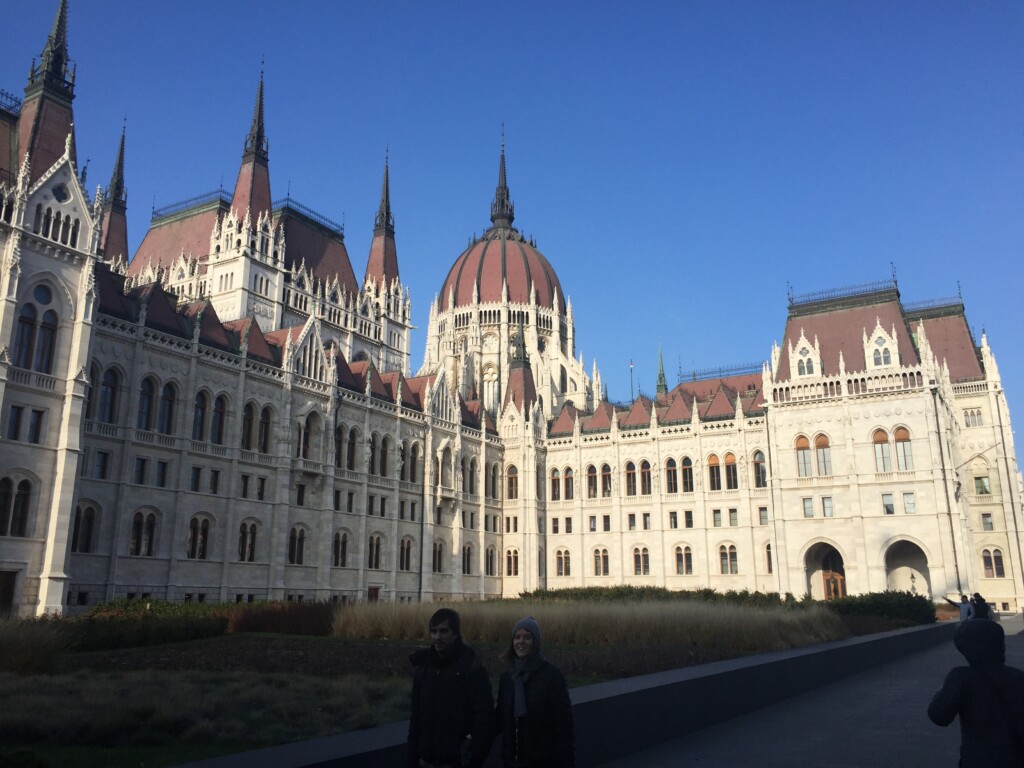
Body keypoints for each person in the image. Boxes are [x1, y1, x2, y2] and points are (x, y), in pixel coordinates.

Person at [928, 618, 1024, 767]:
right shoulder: (1018, 676)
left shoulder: (962, 677)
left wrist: (942, 690)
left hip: (978, 760)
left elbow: (939, 716)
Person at [407, 608, 494, 768]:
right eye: (433, 632)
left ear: (455, 634)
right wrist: (412, 758)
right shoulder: (424, 670)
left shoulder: (471, 670)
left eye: (443, 631)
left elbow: (484, 719)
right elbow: (416, 719)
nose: (437, 637)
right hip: (426, 760)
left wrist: (473, 760)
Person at [495, 616, 575, 768]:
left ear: (536, 642)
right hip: (512, 761)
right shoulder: (507, 679)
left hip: (544, 761)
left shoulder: (552, 676)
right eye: (517, 637)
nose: (521, 642)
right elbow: (501, 718)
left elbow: (564, 727)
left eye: (527, 637)